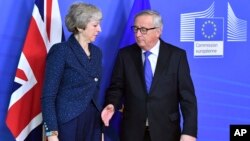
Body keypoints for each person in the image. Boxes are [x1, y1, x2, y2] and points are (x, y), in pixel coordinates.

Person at [101, 10, 197, 141]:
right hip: (132, 132)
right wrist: (111, 104)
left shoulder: (177, 56)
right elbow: (116, 88)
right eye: (135, 29)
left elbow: (188, 98)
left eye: (143, 30)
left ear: (158, 31)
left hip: (167, 132)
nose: (138, 34)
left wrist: (189, 132)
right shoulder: (125, 55)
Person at [41, 2, 103, 141]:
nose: (99, 29)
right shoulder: (61, 51)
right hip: (68, 122)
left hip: (92, 122)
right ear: (80, 26)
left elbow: (95, 89)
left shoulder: (97, 53)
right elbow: (48, 96)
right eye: (95, 25)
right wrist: (51, 132)